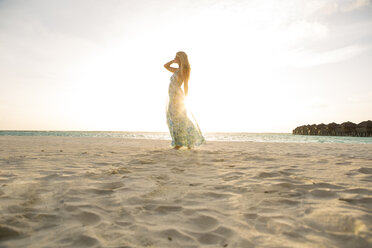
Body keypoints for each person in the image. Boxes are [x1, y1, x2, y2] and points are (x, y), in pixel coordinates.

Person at [164, 51, 205, 149]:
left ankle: (184, 143)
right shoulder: (177, 70)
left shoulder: (184, 69)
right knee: (174, 119)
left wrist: (186, 98)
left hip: (177, 97)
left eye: (176, 57)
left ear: (181, 58)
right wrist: (173, 60)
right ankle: (184, 142)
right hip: (171, 96)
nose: (174, 58)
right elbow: (165, 66)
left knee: (180, 119)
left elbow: (186, 84)